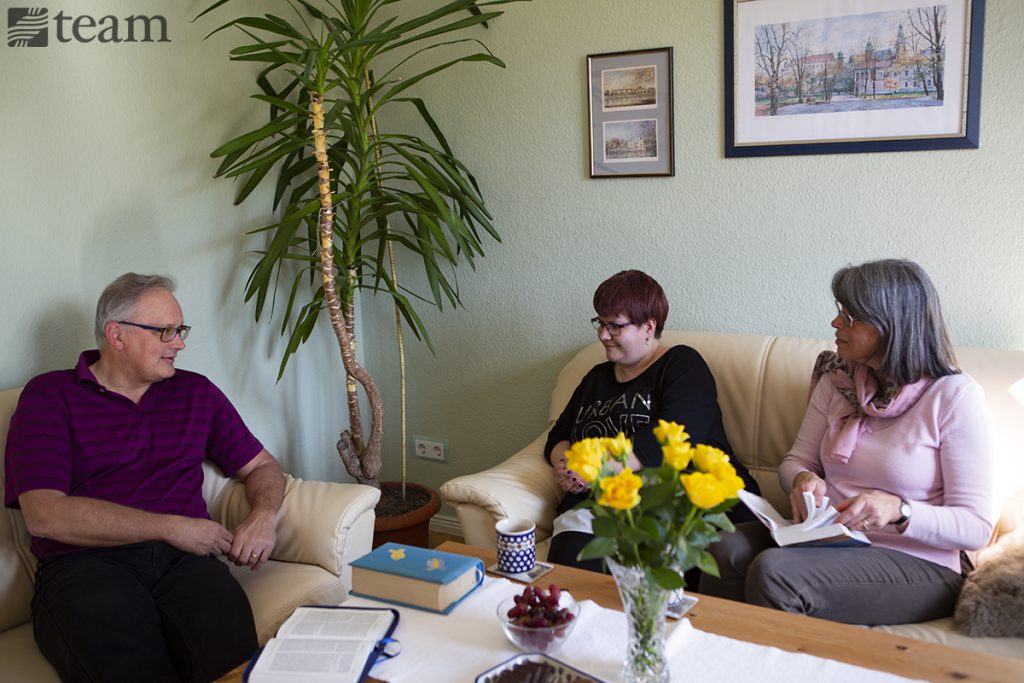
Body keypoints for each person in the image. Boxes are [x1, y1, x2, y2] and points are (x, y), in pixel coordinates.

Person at [4, 273, 286, 682]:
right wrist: (172, 527)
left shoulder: (196, 393)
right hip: (84, 567)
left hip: (187, 566)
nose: (180, 343)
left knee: (233, 667)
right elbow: (45, 515)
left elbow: (262, 466)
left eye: (180, 330)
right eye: (165, 332)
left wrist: (263, 516)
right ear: (116, 335)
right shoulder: (49, 397)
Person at [700, 259, 995, 625]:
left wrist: (899, 510)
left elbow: (976, 527)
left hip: (922, 562)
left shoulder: (953, 396)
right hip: (831, 540)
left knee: (775, 572)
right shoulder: (837, 382)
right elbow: (796, 461)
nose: (836, 324)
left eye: (850, 317)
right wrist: (802, 479)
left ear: (891, 326)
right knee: (723, 545)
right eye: (840, 312)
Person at [544, 269, 759, 573]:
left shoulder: (681, 365)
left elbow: (668, 440)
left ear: (648, 327)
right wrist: (568, 467)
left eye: (615, 326)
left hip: (672, 500)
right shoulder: (596, 377)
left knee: (646, 585)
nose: (603, 335)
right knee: (570, 572)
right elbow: (559, 435)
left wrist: (592, 471)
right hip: (600, 504)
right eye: (600, 323)